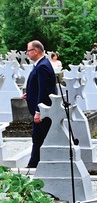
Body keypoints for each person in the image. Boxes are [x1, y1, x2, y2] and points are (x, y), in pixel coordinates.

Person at [24, 40, 57, 169]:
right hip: (40, 109)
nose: (27, 54)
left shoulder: (42, 66)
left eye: (28, 51)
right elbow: (38, 87)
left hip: (42, 111)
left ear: (36, 51)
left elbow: (44, 90)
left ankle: (45, 164)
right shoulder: (40, 64)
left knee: (42, 138)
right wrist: (29, 94)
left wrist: (39, 111)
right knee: (37, 138)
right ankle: (33, 164)